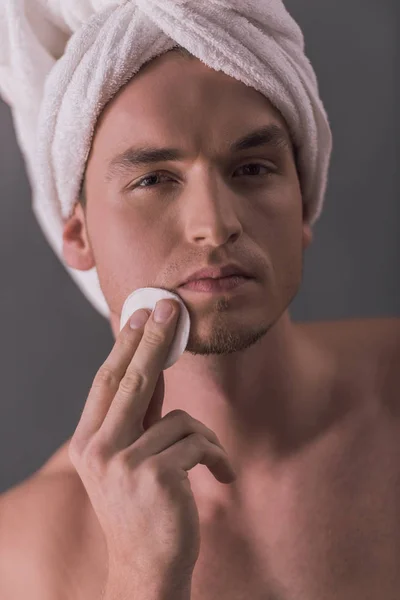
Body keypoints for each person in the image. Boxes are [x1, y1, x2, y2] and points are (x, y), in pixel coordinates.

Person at [1, 7, 399, 600]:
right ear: (78, 235)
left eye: (252, 169)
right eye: (154, 179)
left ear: (304, 205)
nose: (215, 225)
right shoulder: (23, 556)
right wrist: (142, 577)